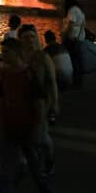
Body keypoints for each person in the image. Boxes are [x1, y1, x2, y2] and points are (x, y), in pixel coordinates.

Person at [0, 37, 51, 193]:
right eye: (2, 52)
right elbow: (1, 98)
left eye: (6, 52)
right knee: (7, 171)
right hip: (9, 129)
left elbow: (40, 104)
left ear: (17, 53)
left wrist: (38, 129)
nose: (3, 56)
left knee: (36, 169)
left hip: (28, 129)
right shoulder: (3, 74)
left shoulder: (29, 74)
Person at [19, 24, 59, 175]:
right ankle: (33, 161)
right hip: (25, 101)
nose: (29, 40)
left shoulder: (43, 57)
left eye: (32, 37)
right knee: (31, 133)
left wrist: (55, 103)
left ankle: (48, 159)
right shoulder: (21, 57)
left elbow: (52, 81)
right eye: (26, 37)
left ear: (36, 38)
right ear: (20, 40)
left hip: (42, 101)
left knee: (42, 135)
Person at [60, 0, 87, 89]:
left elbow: (70, 25)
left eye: (63, 0)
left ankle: (75, 82)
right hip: (79, 38)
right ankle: (78, 81)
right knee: (77, 60)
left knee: (73, 60)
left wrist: (63, 34)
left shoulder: (72, 10)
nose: (62, 2)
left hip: (72, 39)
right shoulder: (78, 9)